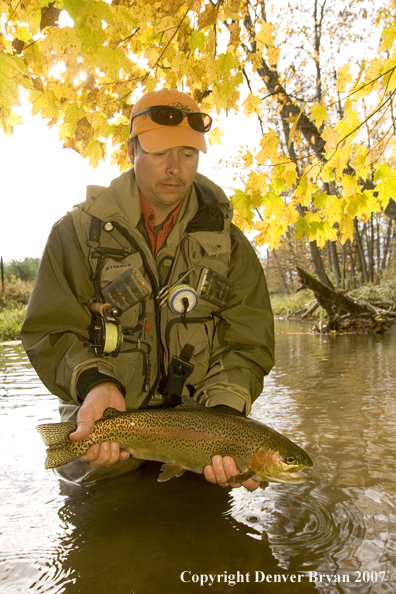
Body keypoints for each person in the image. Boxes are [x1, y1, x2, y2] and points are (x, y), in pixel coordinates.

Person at [21, 89, 275, 489]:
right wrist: (95, 384)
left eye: (188, 154)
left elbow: (248, 341)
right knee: (97, 523)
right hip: (103, 420)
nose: (175, 168)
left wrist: (225, 423)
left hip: (198, 433)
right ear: (130, 151)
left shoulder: (231, 244)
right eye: (160, 153)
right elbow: (50, 331)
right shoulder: (74, 234)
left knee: (204, 535)